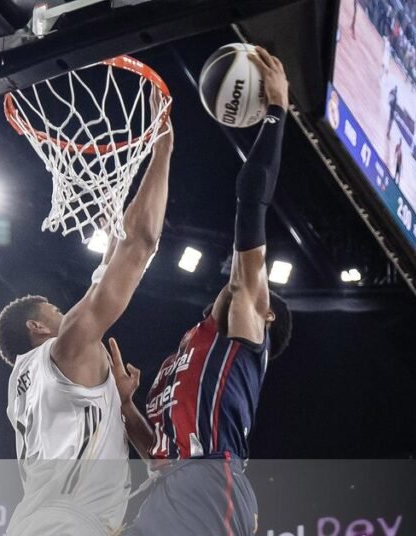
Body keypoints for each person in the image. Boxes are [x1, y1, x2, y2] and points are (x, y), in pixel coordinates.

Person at [111, 47, 294, 536]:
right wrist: (127, 407)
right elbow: (157, 452)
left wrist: (275, 113)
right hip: (168, 487)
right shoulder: (191, 346)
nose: (238, 288)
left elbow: (250, 199)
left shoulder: (247, 331)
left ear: (266, 318)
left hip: (213, 477)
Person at [0, 107, 173, 535]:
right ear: (37, 328)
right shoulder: (67, 347)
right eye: (53, 310)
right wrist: (163, 148)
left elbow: (103, 276)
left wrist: (118, 403)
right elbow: (141, 245)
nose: (63, 310)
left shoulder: (21, 387)